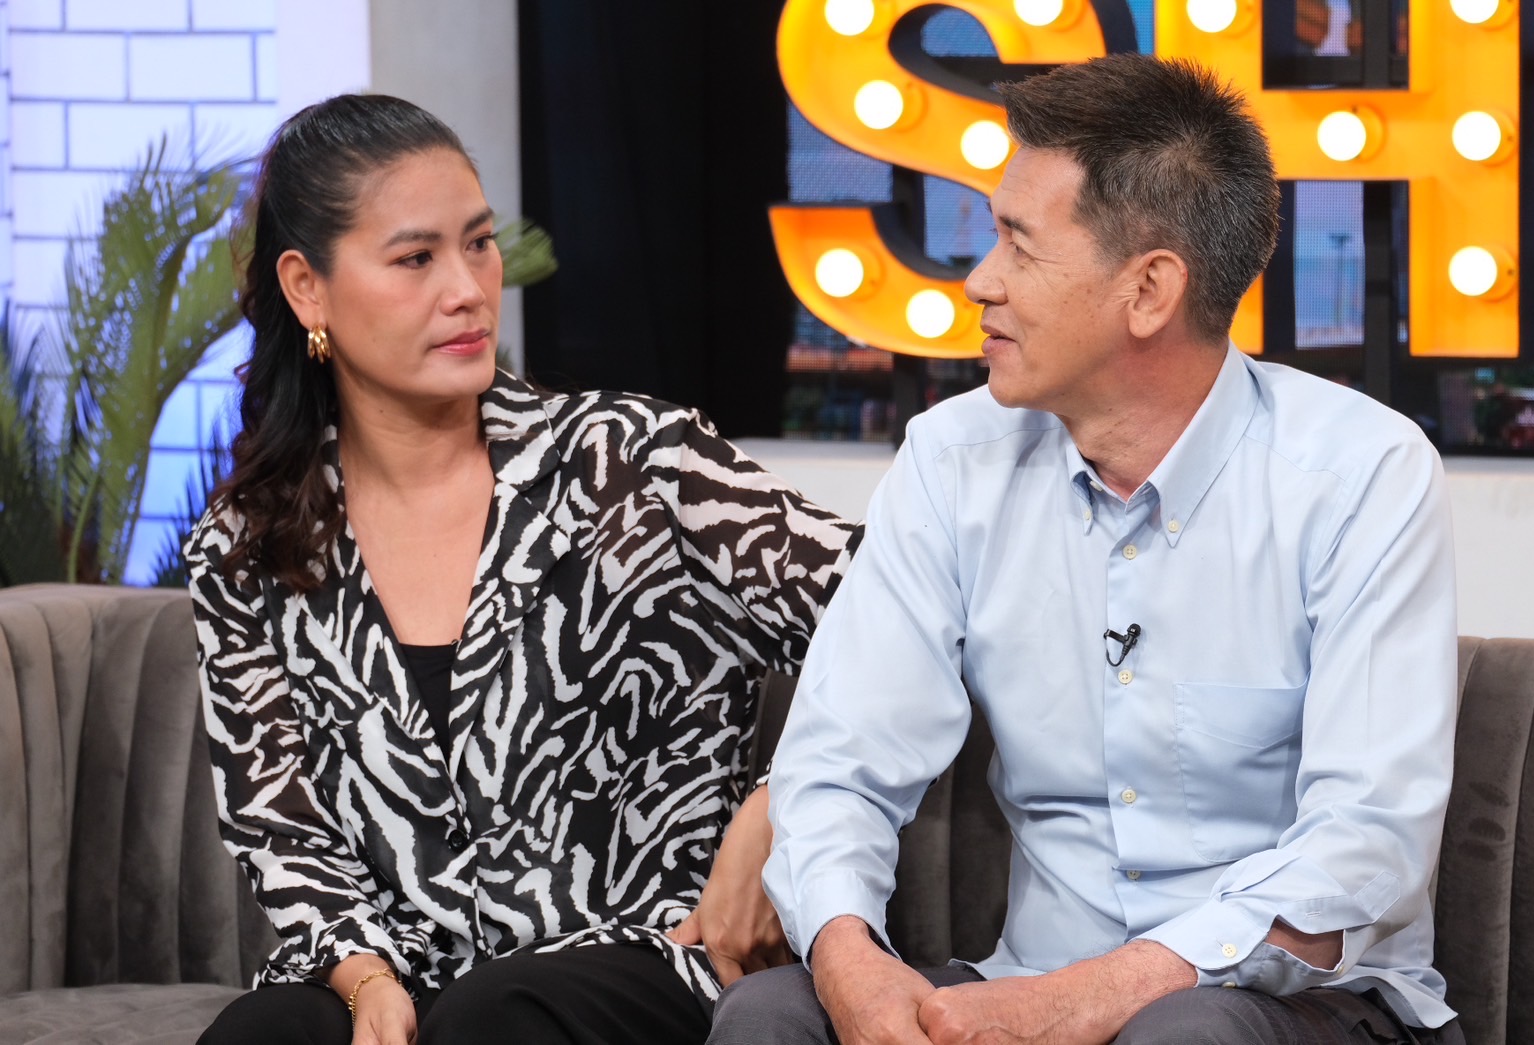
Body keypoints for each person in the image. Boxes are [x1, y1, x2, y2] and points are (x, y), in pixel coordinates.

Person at [707, 54, 1462, 1045]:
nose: (978, 282)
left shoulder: (1358, 471)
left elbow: (1365, 846)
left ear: (1148, 290)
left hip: (1302, 1003)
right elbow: (840, 762)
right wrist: (853, 964)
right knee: (772, 1013)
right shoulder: (952, 458)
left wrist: (1089, 1000)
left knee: (1183, 1036)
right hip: (1029, 977)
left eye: (1018, 246)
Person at [184, 93, 857, 1045]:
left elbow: (900, 620)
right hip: (394, 965)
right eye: (416, 259)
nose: (466, 289)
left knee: (495, 1016)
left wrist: (778, 802)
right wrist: (366, 977)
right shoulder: (245, 546)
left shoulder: (636, 464)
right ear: (307, 289)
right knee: (267, 1032)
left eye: (478, 244)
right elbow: (279, 825)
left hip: (639, 954)